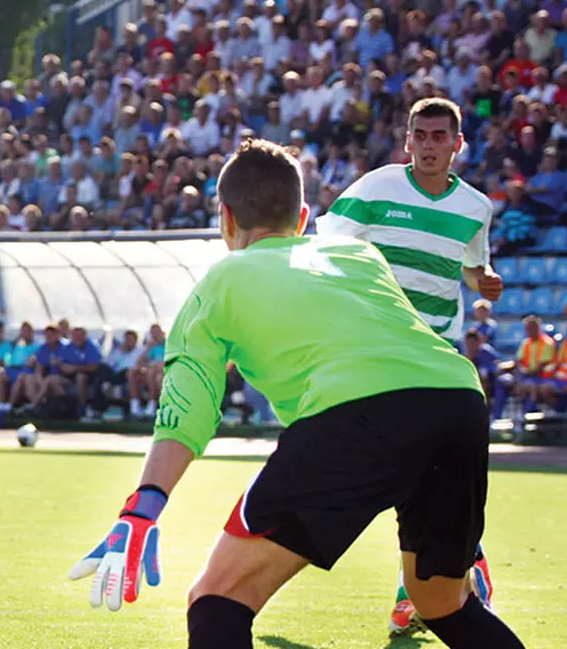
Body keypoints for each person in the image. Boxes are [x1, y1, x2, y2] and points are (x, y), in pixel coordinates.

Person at [68, 139, 526, 649]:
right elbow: (402, 370)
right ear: (304, 215)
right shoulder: (359, 255)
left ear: (225, 218)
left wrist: (143, 506)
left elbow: (188, 408)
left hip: (357, 414)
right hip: (458, 399)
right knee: (442, 602)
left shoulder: (221, 280)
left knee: (220, 596)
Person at [316, 97, 504, 634]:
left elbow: (470, 267)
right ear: (407, 141)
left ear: (457, 144)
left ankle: (431, 580)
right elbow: (324, 246)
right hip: (377, 351)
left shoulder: (475, 208)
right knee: (404, 472)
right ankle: (453, 567)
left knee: (410, 470)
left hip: (438, 355)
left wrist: (482, 280)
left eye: (438, 136)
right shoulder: (375, 190)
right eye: (419, 134)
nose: (428, 144)